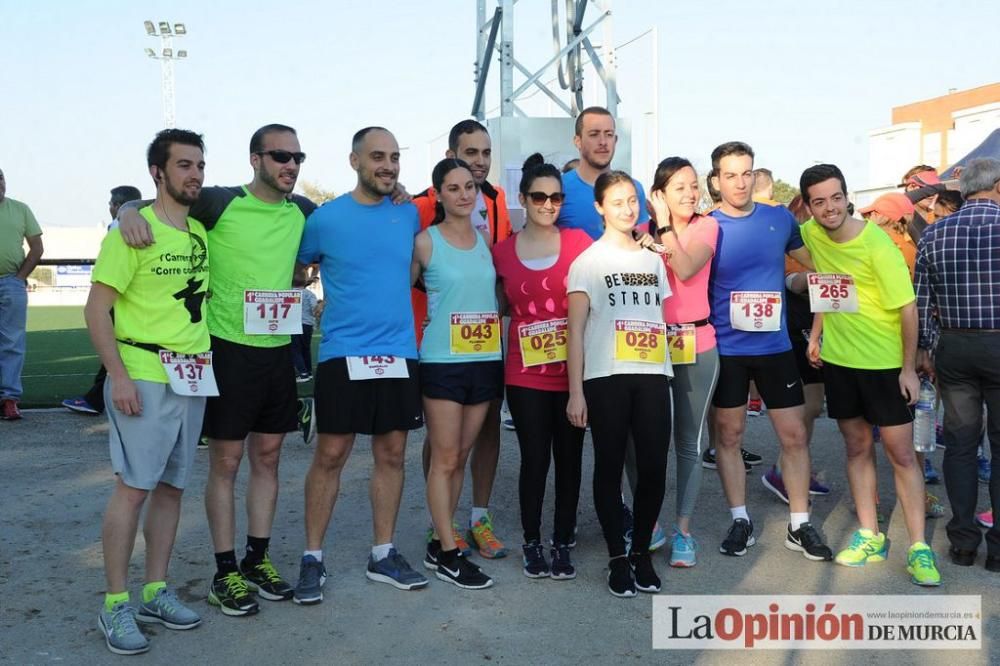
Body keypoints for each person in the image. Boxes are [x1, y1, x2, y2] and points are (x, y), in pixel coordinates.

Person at [118, 123, 317, 616]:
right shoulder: (220, 201)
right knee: (226, 463)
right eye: (279, 156)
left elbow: (357, 211)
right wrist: (125, 210)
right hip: (226, 351)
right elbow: (157, 204)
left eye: (297, 157)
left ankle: (257, 560)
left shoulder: (304, 212)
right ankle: (224, 571)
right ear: (255, 160)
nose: (290, 165)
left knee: (268, 458)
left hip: (278, 351)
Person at [292, 127, 428, 605]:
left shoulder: (409, 213)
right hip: (343, 354)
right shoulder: (325, 219)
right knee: (331, 456)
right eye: (377, 157)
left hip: (397, 354)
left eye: (393, 157)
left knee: (392, 454)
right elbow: (296, 271)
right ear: (354, 161)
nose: (387, 165)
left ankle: (383, 553)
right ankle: (312, 557)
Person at [88, 129, 210, 654]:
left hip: (194, 374)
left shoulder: (201, 230)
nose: (195, 174)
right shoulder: (129, 233)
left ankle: (156, 590)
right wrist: (117, 375)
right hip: (143, 371)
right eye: (184, 165)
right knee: (134, 488)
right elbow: (96, 309)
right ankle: (115, 603)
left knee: (172, 488)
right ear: (158, 173)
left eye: (199, 164)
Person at [799, 163, 940, 586]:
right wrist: (819, 333)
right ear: (809, 206)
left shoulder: (877, 243)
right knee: (857, 448)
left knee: (900, 455)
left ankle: (918, 547)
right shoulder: (810, 235)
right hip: (840, 364)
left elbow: (908, 307)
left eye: (836, 197)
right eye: (819, 201)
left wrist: (907, 368)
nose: (829, 208)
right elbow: (828, 285)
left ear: (847, 197)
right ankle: (870, 535)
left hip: (884, 367)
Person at [705, 141, 831, 562]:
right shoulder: (708, 226)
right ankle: (740, 519)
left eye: (746, 173)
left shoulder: (779, 219)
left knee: (794, 435)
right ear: (716, 180)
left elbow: (815, 263)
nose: (739, 182)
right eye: (730, 175)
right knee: (729, 435)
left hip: (776, 346)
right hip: (729, 349)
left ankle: (800, 524)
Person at [566, 170, 673, 597]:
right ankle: (616, 556)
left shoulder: (652, 259)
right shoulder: (587, 262)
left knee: (653, 468)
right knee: (609, 467)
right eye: (617, 202)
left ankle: (641, 550)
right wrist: (576, 392)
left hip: (652, 374)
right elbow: (574, 332)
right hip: (605, 376)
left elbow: (661, 317)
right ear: (599, 208)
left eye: (632, 200)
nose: (627, 209)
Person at [412, 120, 512, 559]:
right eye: (471, 153)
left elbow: (501, 274)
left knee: (481, 437)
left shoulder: (496, 208)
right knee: (443, 449)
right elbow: (405, 280)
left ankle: (476, 519)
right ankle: (443, 530)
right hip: (439, 353)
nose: (480, 162)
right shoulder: (417, 212)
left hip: (487, 351)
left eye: (486, 153)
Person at [493, 154, 591, 579]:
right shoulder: (501, 254)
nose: (547, 204)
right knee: (535, 459)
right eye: (539, 197)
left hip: (571, 373)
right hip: (525, 373)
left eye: (555, 197)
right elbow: (490, 307)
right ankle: (532, 541)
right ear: (523, 199)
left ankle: (563, 540)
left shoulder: (580, 243)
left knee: (569, 459)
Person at [916, 157, 1000, 574]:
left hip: (954, 345)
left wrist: (925, 349)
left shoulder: (934, 233)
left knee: (962, 445)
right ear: (998, 187)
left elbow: (922, 302)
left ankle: (963, 541)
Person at [646, 157, 719, 567]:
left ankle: (684, 532)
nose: (691, 194)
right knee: (642, 440)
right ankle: (649, 523)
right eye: (679, 187)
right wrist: (651, 232)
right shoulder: (642, 233)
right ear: (660, 194)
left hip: (699, 341)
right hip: (651, 346)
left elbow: (687, 267)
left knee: (689, 443)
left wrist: (661, 227)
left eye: (693, 186)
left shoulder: (707, 226)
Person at [859, 193, 946, 517]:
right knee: (914, 430)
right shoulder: (912, 246)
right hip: (903, 349)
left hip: (880, 348)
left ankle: (872, 503)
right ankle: (916, 497)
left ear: (887, 217)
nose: (869, 219)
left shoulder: (897, 248)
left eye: (874, 214)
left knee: (867, 434)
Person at [760, 195, 831, 503]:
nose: (826, 211)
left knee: (814, 406)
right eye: (816, 207)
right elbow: (792, 282)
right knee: (801, 407)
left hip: (820, 325)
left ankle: (790, 467)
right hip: (791, 327)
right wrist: (818, 274)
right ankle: (783, 469)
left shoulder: (828, 239)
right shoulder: (790, 238)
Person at [63, 185, 143, 415]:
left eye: (111, 203)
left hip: (120, 299)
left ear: (118, 206)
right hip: (129, 301)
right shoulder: (137, 222)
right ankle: (96, 397)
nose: (109, 207)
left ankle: (97, 398)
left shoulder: (121, 227)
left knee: (114, 346)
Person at [557, 106, 650, 241]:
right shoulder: (559, 189)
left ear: (615, 140)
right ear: (578, 141)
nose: (603, 142)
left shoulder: (634, 189)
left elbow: (641, 245)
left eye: (609, 134)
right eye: (594, 134)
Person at [0, 168, 43, 421]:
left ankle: (9, 399)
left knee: (12, 344)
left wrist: (19, 279)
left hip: (11, 284)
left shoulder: (20, 209)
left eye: (1, 178)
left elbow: (37, 248)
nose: (0, 184)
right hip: (12, 284)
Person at [291, 268, 318, 382]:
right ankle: (308, 371)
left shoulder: (288, 292)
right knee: (306, 349)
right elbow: (315, 308)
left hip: (294, 325)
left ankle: (303, 373)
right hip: (308, 325)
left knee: (295, 350)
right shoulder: (310, 294)